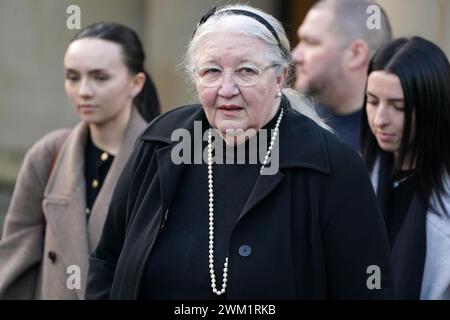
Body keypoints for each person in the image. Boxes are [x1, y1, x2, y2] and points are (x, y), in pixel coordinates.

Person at [86, 4, 392, 300]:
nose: (227, 88)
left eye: (246, 71)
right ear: (196, 77)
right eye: (212, 71)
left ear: (279, 77)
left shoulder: (333, 165)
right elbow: (107, 262)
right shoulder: (161, 143)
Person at [0, 22, 160, 299]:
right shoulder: (48, 153)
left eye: (100, 77)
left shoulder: (161, 160)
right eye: (73, 77)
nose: (84, 90)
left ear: (136, 83)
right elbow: (16, 257)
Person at [361, 37, 450, 299]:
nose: (380, 119)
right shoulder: (357, 174)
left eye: (398, 107)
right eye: (372, 101)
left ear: (433, 106)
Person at [292, 0, 391, 151]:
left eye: (311, 42)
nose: (295, 56)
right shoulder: (295, 122)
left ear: (356, 54)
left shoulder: (389, 138)